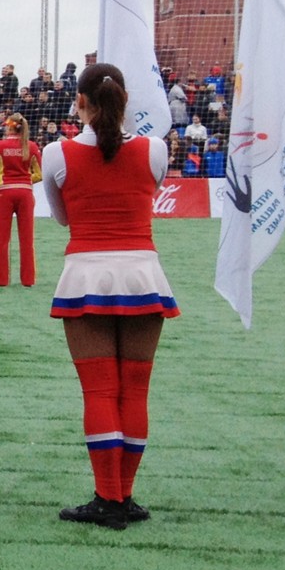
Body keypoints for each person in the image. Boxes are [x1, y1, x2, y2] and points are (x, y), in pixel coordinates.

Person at [38, 62, 176, 529]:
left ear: (79, 101)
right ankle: (125, 497)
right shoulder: (155, 150)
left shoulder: (57, 153)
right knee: (135, 390)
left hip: (87, 276)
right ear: (125, 99)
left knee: (99, 390)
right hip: (142, 274)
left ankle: (107, 498)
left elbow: (61, 218)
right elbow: (145, 192)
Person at [0, 112, 39, 287]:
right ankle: (28, 280)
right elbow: (39, 173)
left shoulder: (0, 146)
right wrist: (24, 181)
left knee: (2, 240)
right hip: (25, 192)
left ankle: (2, 280)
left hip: (5, 193)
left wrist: (2, 181)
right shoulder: (31, 146)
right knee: (27, 239)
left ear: (9, 126)